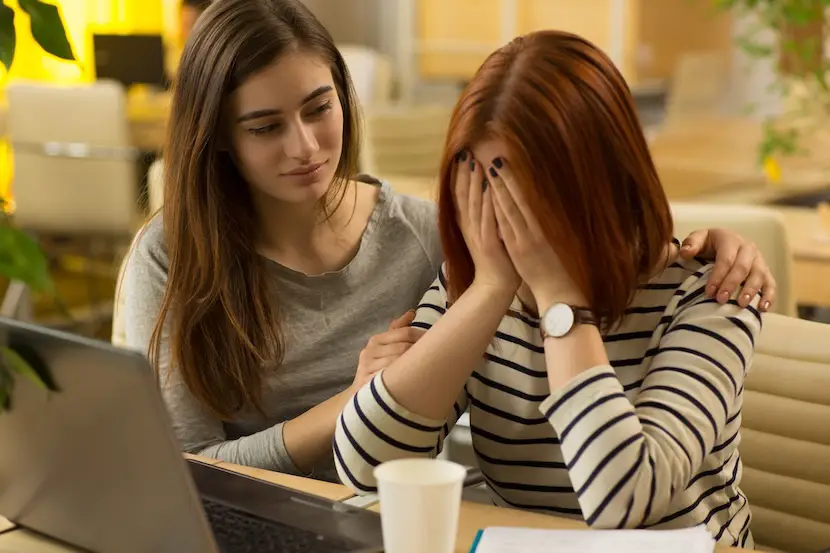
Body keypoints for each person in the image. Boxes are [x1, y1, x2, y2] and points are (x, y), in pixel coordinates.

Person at [123, 0, 775, 484]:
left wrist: (571, 293)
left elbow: (622, 490)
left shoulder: (433, 238)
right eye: (265, 127)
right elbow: (190, 467)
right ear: (220, 140)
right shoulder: (171, 254)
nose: (305, 147)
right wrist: (363, 396)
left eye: (320, 108)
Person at [333, 30, 759, 547]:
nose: (505, 221)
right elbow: (364, 467)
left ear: (601, 182)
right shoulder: (476, 287)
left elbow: (624, 500)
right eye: (484, 189)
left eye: (523, 193)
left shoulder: (710, 298)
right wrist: (489, 290)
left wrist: (561, 301)